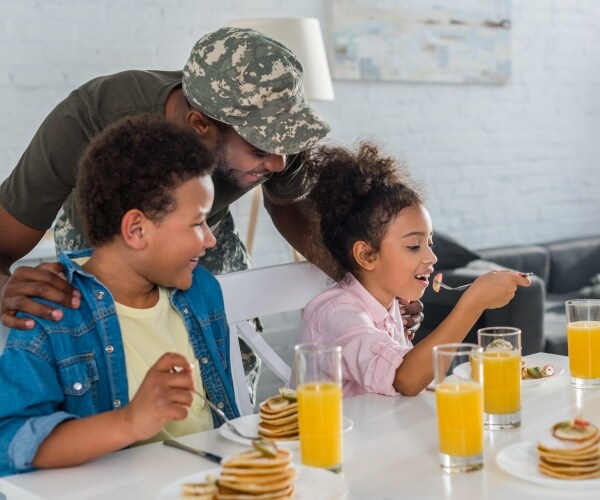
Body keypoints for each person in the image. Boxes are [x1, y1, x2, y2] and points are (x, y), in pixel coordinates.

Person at [0, 26, 425, 400]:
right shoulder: (89, 119)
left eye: (285, 147)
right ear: (200, 126)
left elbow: (289, 206)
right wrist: (5, 289)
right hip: (101, 241)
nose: (279, 162)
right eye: (260, 150)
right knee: (113, 371)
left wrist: (365, 285)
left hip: (209, 230)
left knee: (231, 359)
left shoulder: (276, 141)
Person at [0, 115, 240, 477]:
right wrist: (130, 421)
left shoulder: (202, 292)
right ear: (136, 229)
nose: (210, 240)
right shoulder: (54, 311)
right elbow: (9, 442)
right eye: (197, 223)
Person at [297, 143, 531, 398]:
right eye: (413, 246)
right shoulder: (337, 313)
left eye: (429, 243)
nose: (432, 257)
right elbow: (404, 380)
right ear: (366, 255)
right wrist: (473, 304)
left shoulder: (391, 305)